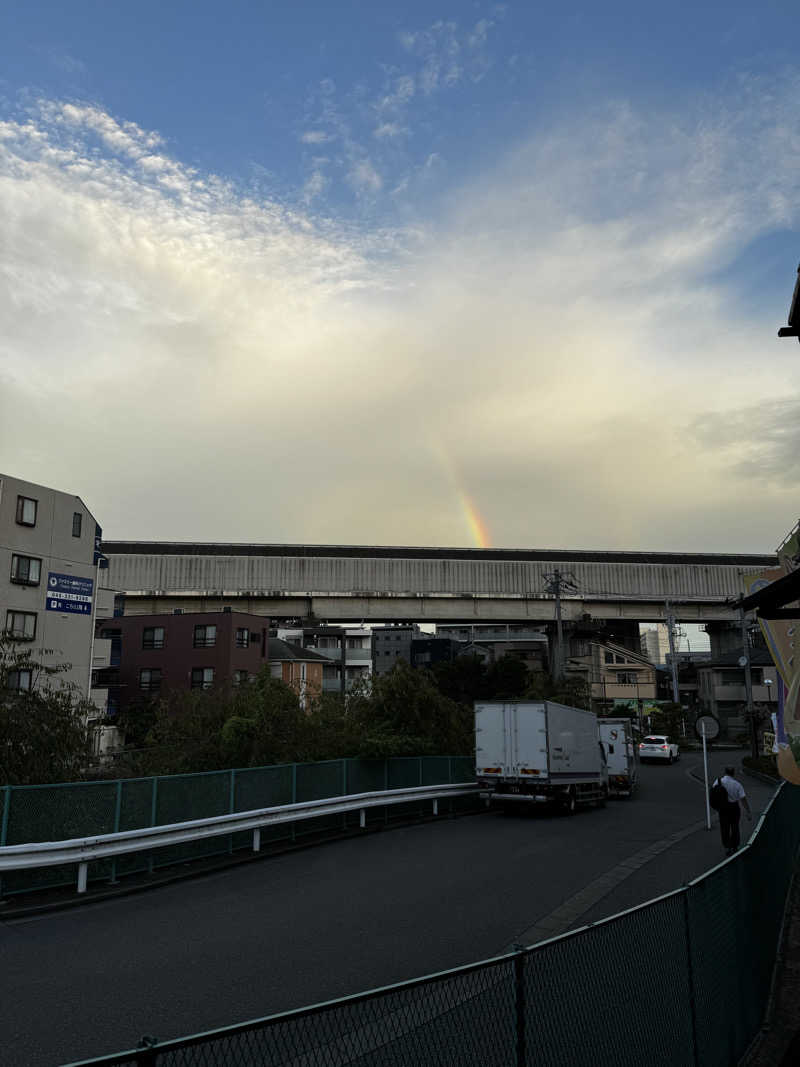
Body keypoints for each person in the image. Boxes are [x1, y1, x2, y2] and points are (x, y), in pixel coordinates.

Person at [714, 766, 752, 856]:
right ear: (733, 773)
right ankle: (735, 845)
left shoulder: (718, 781)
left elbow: (714, 792)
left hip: (723, 808)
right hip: (734, 808)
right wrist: (748, 811)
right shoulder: (737, 784)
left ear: (725, 772)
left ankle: (727, 846)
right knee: (735, 827)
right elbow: (743, 799)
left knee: (724, 827)